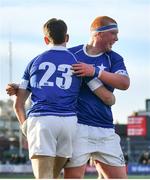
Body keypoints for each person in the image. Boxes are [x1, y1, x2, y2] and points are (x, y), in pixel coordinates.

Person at [6, 17, 116, 179]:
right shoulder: (77, 63)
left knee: (45, 176)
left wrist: (24, 126)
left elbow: (19, 103)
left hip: (41, 121)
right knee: (55, 175)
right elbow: (108, 99)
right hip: (68, 123)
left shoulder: (34, 62)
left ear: (46, 39)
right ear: (67, 38)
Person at [63, 16, 130, 179]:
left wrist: (94, 71)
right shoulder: (71, 54)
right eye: (113, 33)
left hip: (105, 129)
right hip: (77, 127)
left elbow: (124, 83)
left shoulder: (114, 58)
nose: (116, 38)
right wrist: (26, 87)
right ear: (99, 34)